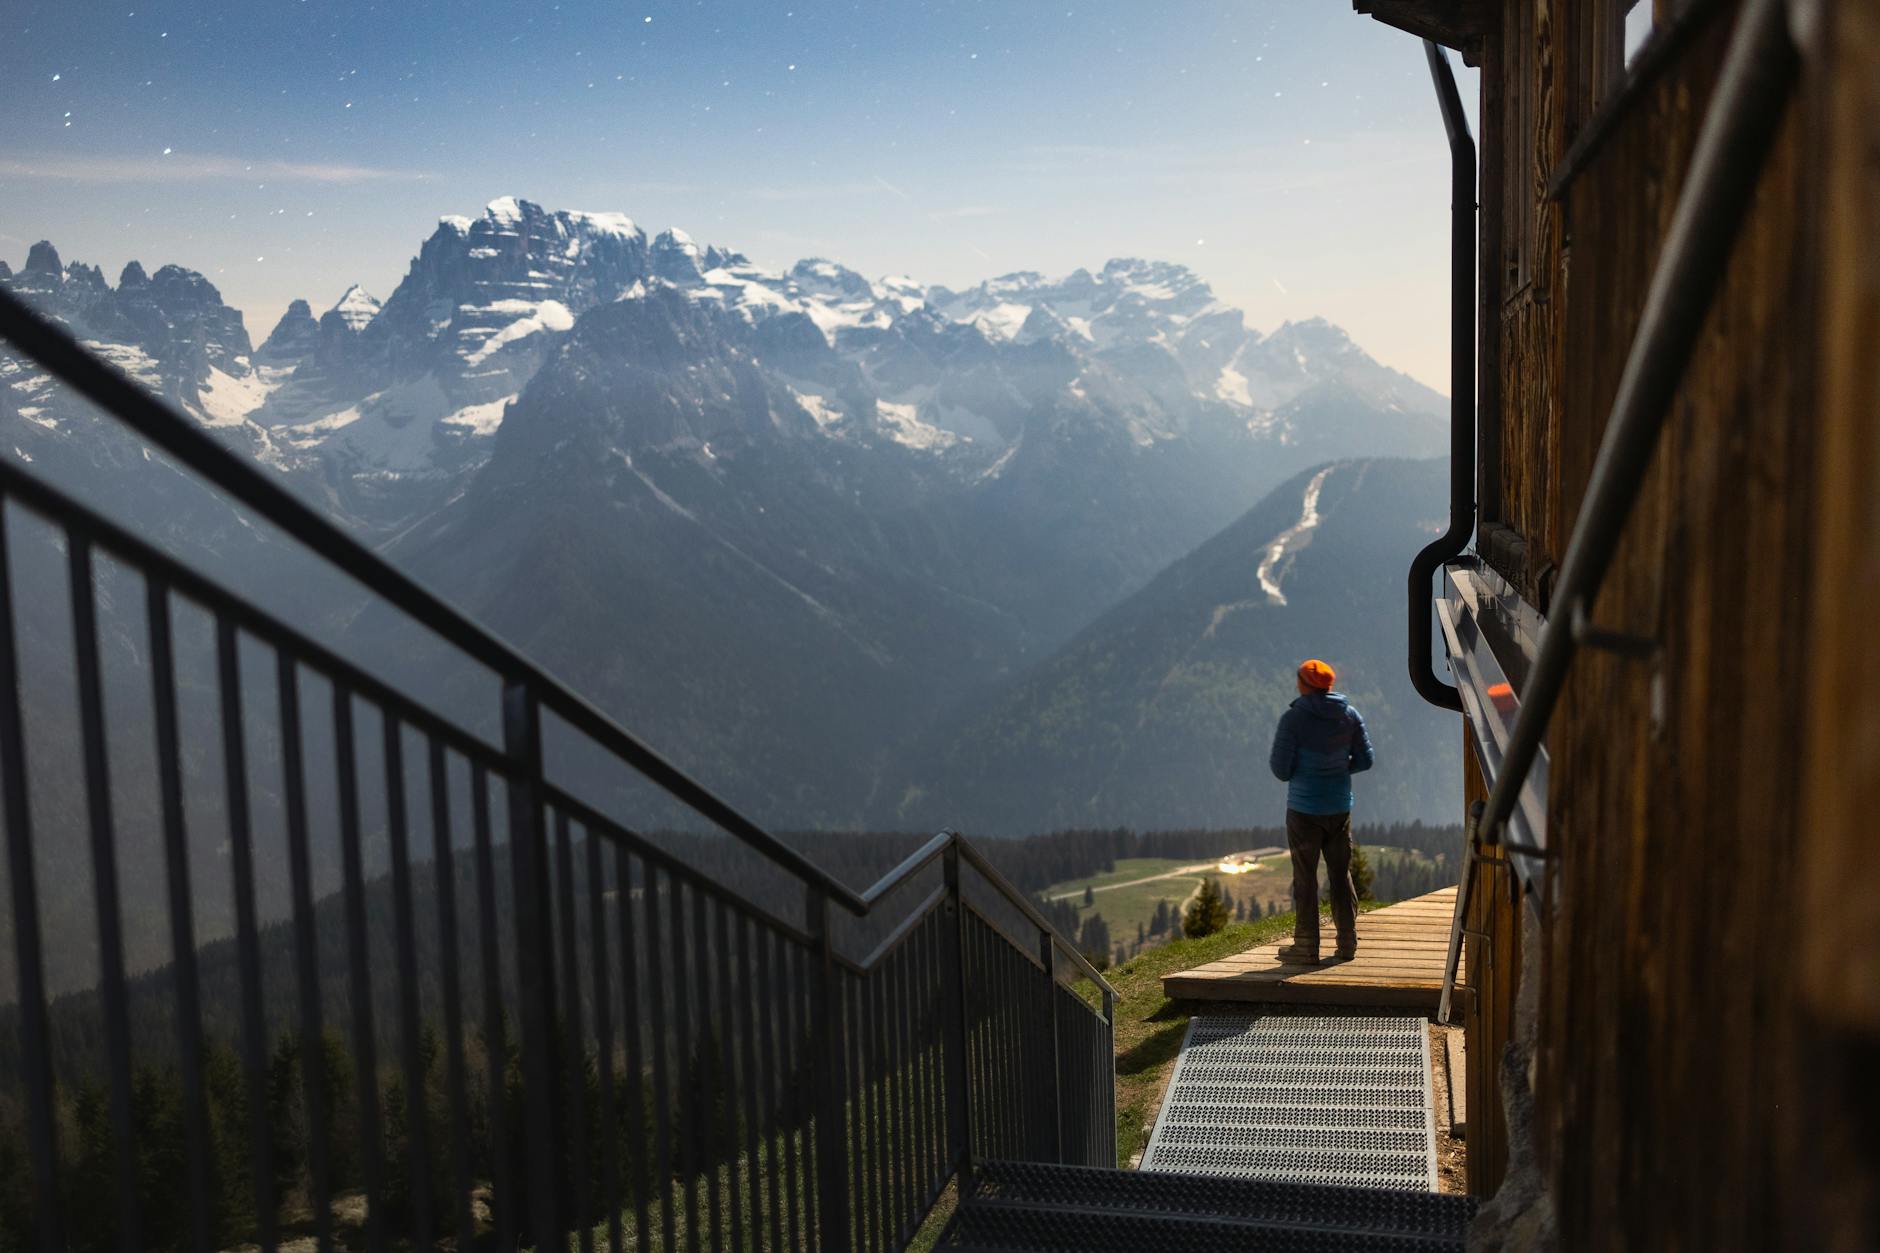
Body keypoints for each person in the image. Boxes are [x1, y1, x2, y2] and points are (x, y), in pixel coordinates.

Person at [1267, 658, 1373, 963]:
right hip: (1339, 808)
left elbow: (1280, 770)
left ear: (1304, 685)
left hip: (1303, 809)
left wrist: (1307, 772)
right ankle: (1347, 942)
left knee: (1305, 878)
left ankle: (1306, 946)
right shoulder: (1349, 715)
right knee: (1341, 875)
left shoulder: (1293, 720)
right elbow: (1365, 760)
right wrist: (1339, 770)